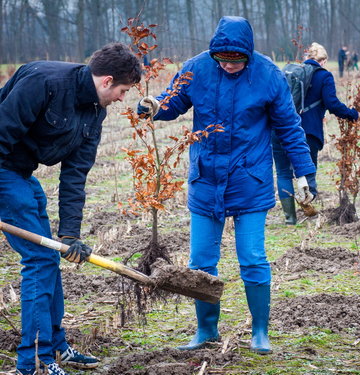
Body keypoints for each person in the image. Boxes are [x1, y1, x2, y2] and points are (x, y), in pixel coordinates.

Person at [137, 16, 316, 354]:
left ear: (248, 54)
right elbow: (173, 101)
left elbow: (290, 128)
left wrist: (304, 173)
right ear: (214, 54)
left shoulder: (268, 75)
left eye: (237, 60)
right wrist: (154, 107)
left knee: (252, 257)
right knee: (201, 261)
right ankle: (206, 330)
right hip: (206, 179)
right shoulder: (197, 68)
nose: (231, 66)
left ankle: (260, 331)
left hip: (250, 180)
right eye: (224, 60)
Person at [0, 43, 141, 375]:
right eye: (123, 90)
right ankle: (35, 361)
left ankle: (56, 347)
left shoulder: (95, 112)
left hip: (22, 172)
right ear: (107, 81)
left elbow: (75, 174)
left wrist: (69, 235)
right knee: (39, 258)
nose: (123, 98)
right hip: (3, 169)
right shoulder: (45, 82)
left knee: (51, 253)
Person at [272, 43, 358, 225]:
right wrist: (351, 114)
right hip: (307, 131)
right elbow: (332, 104)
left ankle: (290, 218)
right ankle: (308, 210)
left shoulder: (291, 72)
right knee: (306, 170)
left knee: (283, 173)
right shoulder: (324, 75)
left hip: (280, 128)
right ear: (324, 60)